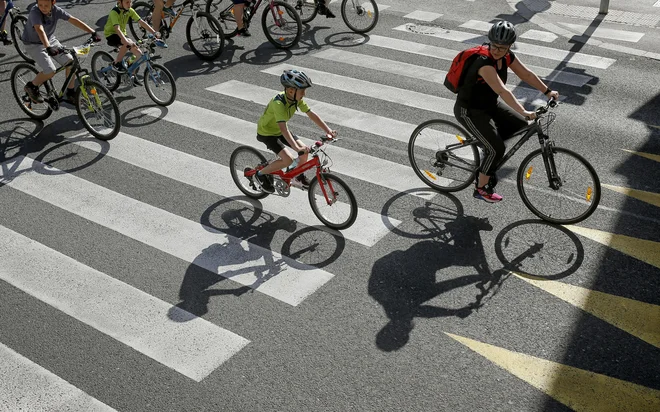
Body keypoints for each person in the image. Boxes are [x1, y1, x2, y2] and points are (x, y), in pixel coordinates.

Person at [454, 20, 559, 203]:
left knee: (519, 125)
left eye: (502, 48)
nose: (497, 51)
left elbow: (526, 74)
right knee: (496, 148)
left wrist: (547, 91)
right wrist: (525, 111)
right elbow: (503, 91)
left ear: (510, 46)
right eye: (494, 46)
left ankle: (487, 147)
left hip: (489, 106)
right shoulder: (484, 63)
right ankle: (481, 187)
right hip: (469, 110)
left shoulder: (507, 56)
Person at [253, 69, 336, 193]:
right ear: (291, 90)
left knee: (305, 151)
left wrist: (328, 131)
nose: (304, 94)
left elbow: (311, 114)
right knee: (289, 159)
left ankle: (297, 176)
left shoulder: (295, 99)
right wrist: (296, 149)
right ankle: (260, 174)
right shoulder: (278, 103)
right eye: (302, 91)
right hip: (267, 133)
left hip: (280, 131)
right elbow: (283, 129)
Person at [21, 0, 100, 104]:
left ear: (53, 2)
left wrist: (92, 32)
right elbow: (40, 29)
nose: (43, 7)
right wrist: (48, 47)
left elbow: (73, 20)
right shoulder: (35, 12)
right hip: (33, 44)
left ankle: (70, 92)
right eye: (40, 5)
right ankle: (31, 86)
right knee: (50, 70)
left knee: (71, 62)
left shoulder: (56, 10)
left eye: (46, 5)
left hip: (49, 40)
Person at [103, 0, 160, 84]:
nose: (129, 4)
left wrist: (154, 32)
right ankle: (117, 63)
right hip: (111, 34)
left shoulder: (130, 10)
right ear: (120, 2)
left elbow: (142, 22)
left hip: (122, 35)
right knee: (127, 43)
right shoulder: (114, 12)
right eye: (127, 2)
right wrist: (126, 41)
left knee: (139, 54)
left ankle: (132, 75)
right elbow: (117, 29)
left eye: (130, 2)